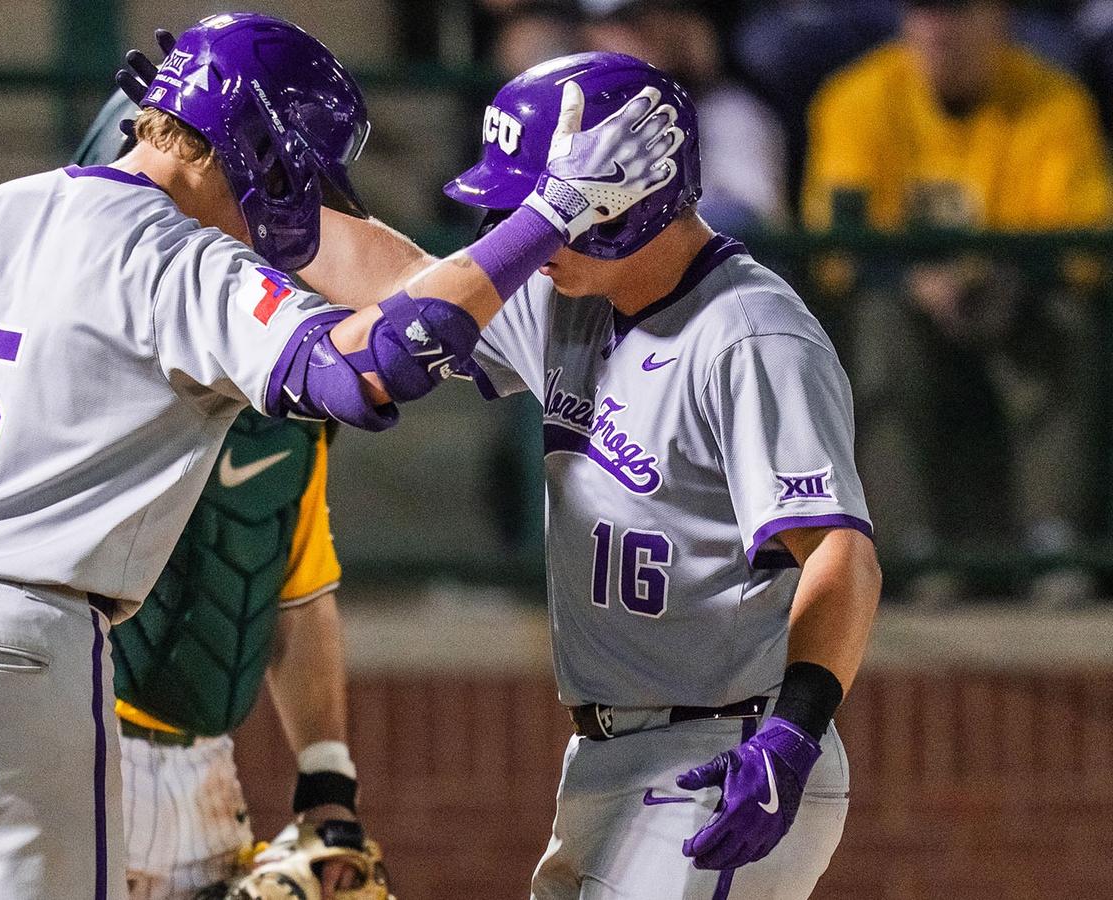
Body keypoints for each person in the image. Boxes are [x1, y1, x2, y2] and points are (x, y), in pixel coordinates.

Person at [0, 12, 685, 899]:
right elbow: (370, 372)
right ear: (253, 146)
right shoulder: (182, 258)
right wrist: (548, 218)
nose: (303, 200)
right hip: (12, 646)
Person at [276, 51, 880, 897]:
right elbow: (404, 288)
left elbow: (839, 554)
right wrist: (258, 191)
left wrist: (793, 734)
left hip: (723, 751)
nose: (525, 226)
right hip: (609, 756)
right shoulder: (573, 296)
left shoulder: (752, 332)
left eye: (541, 203)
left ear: (630, 200)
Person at [75, 82, 365, 900]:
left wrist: (327, 780)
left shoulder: (290, 395)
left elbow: (292, 589)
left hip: (207, 772)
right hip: (79, 746)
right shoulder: (78, 368)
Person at [805, 0, 1113, 605]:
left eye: (959, 11)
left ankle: (1054, 544)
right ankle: (912, 553)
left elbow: (1082, 246)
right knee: (878, 325)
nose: (941, 29)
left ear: (1000, 18)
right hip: (903, 305)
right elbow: (835, 251)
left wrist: (991, 274)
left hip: (1013, 300)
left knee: (1063, 318)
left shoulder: (1056, 100)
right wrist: (915, 280)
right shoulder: (857, 97)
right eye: (927, 11)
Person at [578, 0, 788, 232]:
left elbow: (752, 221)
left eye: (656, 17)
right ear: (590, 33)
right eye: (627, 22)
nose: (648, 33)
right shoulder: (568, 113)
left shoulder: (727, 111)